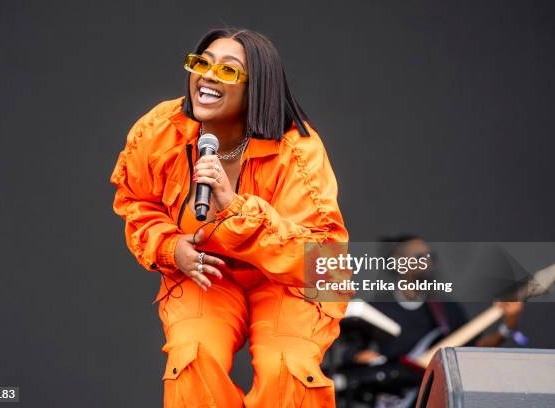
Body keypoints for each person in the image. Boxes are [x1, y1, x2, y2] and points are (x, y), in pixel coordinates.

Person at [109, 28, 349, 407]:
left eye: (227, 70)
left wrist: (237, 208)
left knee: (286, 371)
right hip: (208, 271)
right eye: (202, 63)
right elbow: (136, 201)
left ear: (258, 88)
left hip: (287, 282)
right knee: (193, 358)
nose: (207, 75)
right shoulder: (160, 131)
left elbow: (327, 263)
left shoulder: (298, 151)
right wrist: (171, 247)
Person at [329, 235, 524, 408]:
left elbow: (473, 349)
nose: (427, 262)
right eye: (419, 258)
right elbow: (344, 349)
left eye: (430, 257)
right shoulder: (378, 307)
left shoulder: (446, 311)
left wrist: (508, 325)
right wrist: (359, 356)